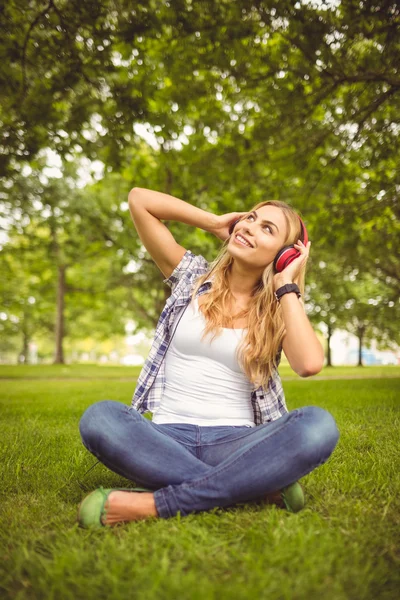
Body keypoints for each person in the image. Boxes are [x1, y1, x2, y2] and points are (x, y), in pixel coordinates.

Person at [78, 188, 339, 528]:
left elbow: (309, 364)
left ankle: (155, 504)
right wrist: (213, 221)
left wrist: (286, 282)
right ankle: (252, 488)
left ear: (285, 255)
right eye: (250, 218)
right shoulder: (191, 276)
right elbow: (139, 200)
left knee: (318, 426)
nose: (249, 226)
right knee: (101, 418)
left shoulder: (280, 307)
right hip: (166, 438)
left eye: (267, 229)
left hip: (237, 443)